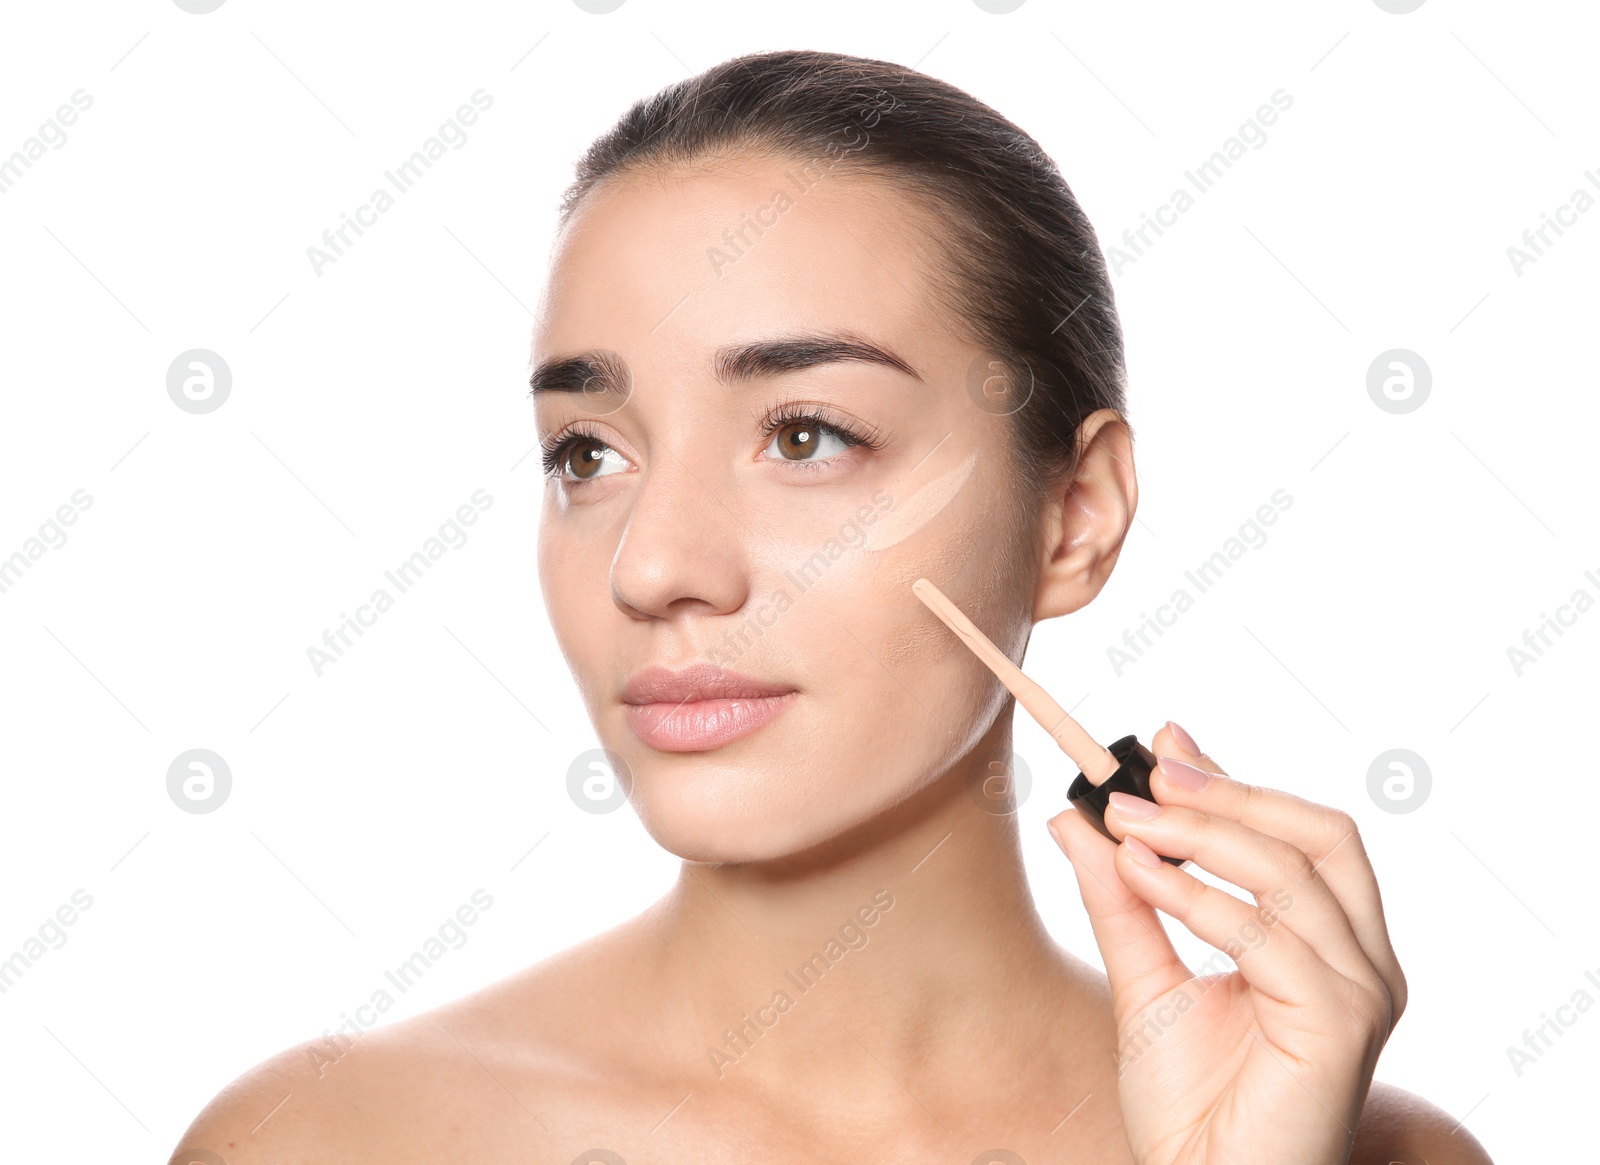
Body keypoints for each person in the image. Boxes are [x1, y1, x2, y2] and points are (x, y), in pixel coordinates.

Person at [174, 49, 1493, 1164]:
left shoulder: (1365, 1151)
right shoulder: (332, 1137)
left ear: (1075, 512)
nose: (652, 566)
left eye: (804, 434)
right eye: (588, 452)